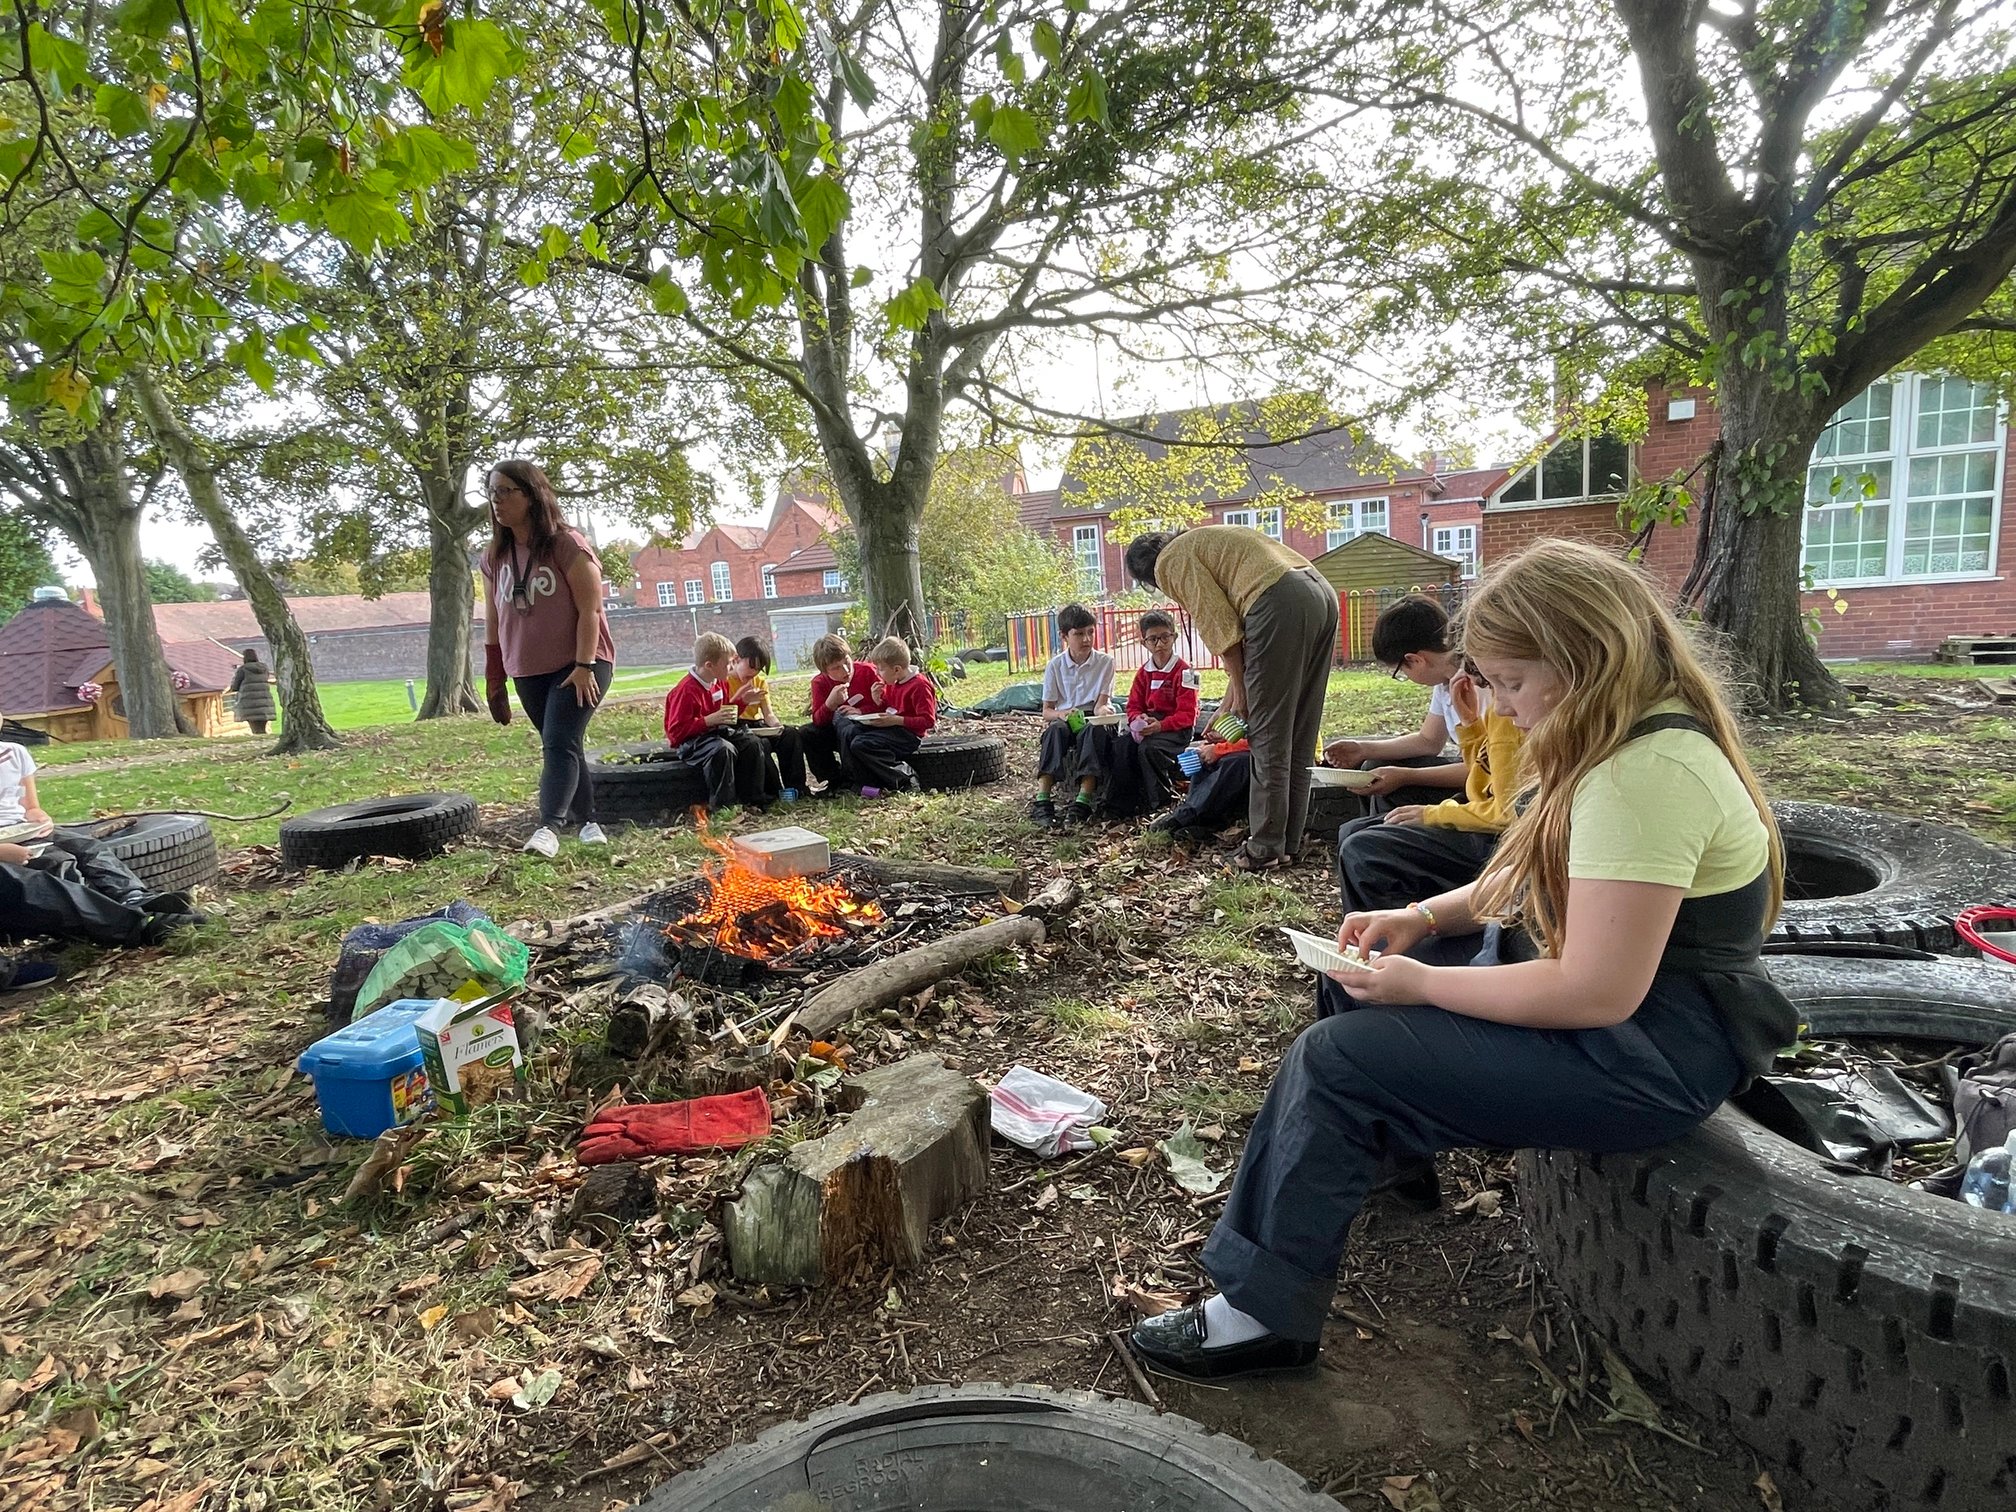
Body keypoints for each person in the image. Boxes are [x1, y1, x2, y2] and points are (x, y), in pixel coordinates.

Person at [1128, 537, 1795, 1383]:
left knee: (1335, 1060)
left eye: (1511, 682)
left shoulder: (1647, 775)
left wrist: (1425, 983)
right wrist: (1417, 917)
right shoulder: (1613, 737)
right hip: (1620, 1018)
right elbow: (1525, 875)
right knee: (1357, 978)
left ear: (1584, 657)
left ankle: (1259, 1318)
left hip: (1646, 1055)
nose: (1501, 706)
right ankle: (1378, 1163)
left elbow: (1595, 990)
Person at [1124, 527, 1339, 871]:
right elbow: (1250, 649)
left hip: (1278, 599)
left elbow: (1223, 629)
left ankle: (1264, 848)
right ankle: (1287, 843)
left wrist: (1241, 697)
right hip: (1319, 594)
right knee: (1300, 731)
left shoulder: (1170, 560)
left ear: (1147, 575)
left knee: (1267, 737)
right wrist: (1227, 704)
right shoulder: (1207, 541)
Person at [479, 458, 617, 859]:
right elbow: (493, 617)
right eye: (492, 492)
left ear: (532, 495)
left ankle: (548, 828)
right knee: (563, 742)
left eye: (505, 491)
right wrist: (494, 676)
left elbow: (591, 610)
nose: (497, 500)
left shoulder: (567, 544)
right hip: (527, 668)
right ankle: (589, 821)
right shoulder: (494, 556)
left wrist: (584, 666)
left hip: (581, 663)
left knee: (558, 741)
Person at [1336, 660, 1524, 914]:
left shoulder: (1511, 714)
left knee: (1362, 849)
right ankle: (1371, 928)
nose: (1498, 701)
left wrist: (1432, 813)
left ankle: (1400, 927)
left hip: (1503, 837)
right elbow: (1482, 772)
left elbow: (1505, 812)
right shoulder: (1495, 708)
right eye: (1492, 686)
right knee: (1352, 831)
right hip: (1482, 813)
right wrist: (1470, 724)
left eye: (1505, 685)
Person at [0, 740, 203, 945]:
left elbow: (31, 806)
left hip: (22, 828)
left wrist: (39, 818)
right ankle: (126, 924)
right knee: (57, 862)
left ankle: (133, 895)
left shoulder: (15, 752)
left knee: (87, 847)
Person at [1320, 596, 1468, 814]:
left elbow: (1489, 769)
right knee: (1372, 768)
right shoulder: (1444, 683)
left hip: (1485, 786)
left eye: (1402, 672)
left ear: (1416, 660)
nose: (1406, 677)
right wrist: (1363, 749)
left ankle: (1381, 830)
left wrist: (1406, 776)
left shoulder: (1478, 685)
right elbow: (1428, 741)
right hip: (1473, 772)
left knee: (1392, 786)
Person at [1099, 610, 1200, 819]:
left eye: (1165, 637)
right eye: (1153, 639)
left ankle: (1159, 804)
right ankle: (1120, 805)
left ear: (1174, 637)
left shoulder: (1186, 672)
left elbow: (1188, 714)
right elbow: (1133, 706)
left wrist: (1161, 725)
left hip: (1176, 730)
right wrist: (1139, 718)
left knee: (1149, 749)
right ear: (1144, 642)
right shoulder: (1143, 673)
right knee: (1122, 745)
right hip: (1149, 726)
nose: (1160, 644)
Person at [1031, 604, 1115, 827]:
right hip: (1065, 716)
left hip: (1091, 717)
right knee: (1054, 732)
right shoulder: (1055, 666)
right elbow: (1047, 711)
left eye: (1090, 632)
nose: (1086, 639)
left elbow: (1101, 704)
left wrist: (1103, 711)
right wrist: (1062, 714)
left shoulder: (1105, 662)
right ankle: (1042, 799)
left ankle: (1083, 801)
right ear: (1064, 636)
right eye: (1079, 634)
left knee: (1093, 732)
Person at [663, 632, 768, 811]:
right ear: (709, 666)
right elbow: (675, 734)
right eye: (728, 663)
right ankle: (723, 806)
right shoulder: (686, 691)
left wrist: (742, 702)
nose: (731, 667)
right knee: (723, 750)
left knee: (752, 743)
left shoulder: (719, 682)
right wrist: (706, 721)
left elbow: (725, 715)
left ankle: (753, 799)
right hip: (691, 742)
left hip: (714, 733)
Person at [839, 637, 936, 796]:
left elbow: (928, 721)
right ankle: (860, 782)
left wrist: (896, 720)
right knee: (851, 732)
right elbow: (891, 708)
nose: (877, 673)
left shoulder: (919, 686)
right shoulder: (894, 683)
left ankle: (906, 778)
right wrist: (878, 700)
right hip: (893, 727)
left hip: (909, 735)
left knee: (861, 743)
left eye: (881, 669)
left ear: (896, 669)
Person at [795, 634, 878, 797]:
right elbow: (818, 720)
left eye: (846, 662)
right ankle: (834, 779)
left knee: (848, 729)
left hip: (865, 728)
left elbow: (886, 704)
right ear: (825, 671)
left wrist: (862, 711)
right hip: (835, 731)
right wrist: (830, 704)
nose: (845, 670)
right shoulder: (820, 683)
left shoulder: (868, 671)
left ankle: (855, 779)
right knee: (807, 732)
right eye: (836, 668)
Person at [726, 636, 799, 802]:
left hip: (759, 724)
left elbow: (768, 714)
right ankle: (774, 791)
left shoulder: (759, 682)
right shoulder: (725, 681)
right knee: (761, 744)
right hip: (738, 726)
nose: (753, 673)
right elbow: (726, 715)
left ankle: (796, 787)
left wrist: (778, 727)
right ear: (737, 659)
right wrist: (742, 699)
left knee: (790, 735)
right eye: (751, 666)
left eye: (758, 669)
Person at [1148, 732, 1251, 848]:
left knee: (1236, 763)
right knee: (1199, 756)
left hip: (1259, 756)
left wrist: (1218, 749)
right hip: (1244, 745)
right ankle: (1202, 821)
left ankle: (1187, 816)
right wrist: (1224, 738)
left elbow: (1260, 742)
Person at [229, 648, 276, 735]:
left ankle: (260, 741)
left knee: (255, 729)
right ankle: (263, 739)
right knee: (262, 728)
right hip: (264, 702)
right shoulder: (264, 668)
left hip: (249, 703)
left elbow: (235, 686)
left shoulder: (243, 669)